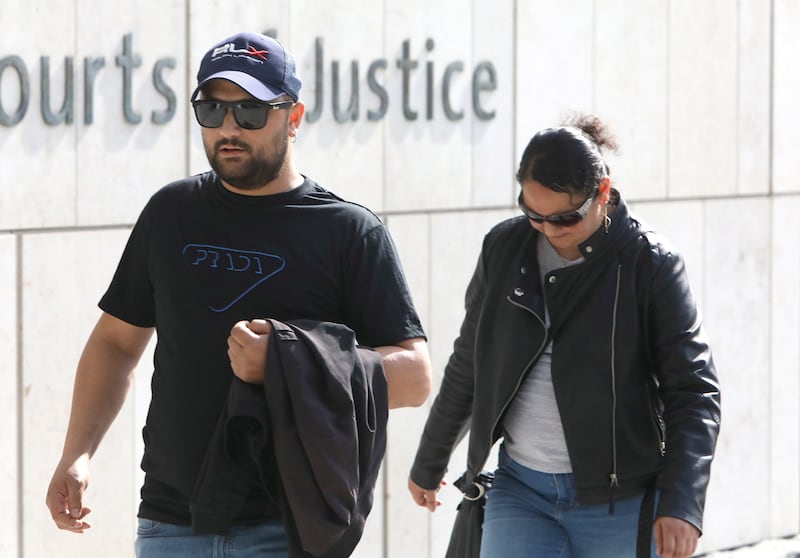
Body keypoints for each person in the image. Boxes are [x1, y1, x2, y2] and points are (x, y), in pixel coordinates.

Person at [45, 31, 432, 558]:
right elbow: (116, 342)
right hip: (169, 524)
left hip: (289, 528)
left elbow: (414, 377)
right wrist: (77, 455)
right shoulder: (171, 212)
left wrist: (292, 359)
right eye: (212, 109)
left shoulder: (348, 231)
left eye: (250, 112)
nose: (228, 128)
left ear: (293, 118)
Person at [407, 115, 720, 558]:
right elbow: (472, 361)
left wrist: (683, 503)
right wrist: (431, 458)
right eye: (532, 214)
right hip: (520, 492)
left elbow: (693, 391)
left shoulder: (650, 265)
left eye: (565, 218)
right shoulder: (504, 249)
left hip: (620, 502)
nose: (550, 229)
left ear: (603, 193)